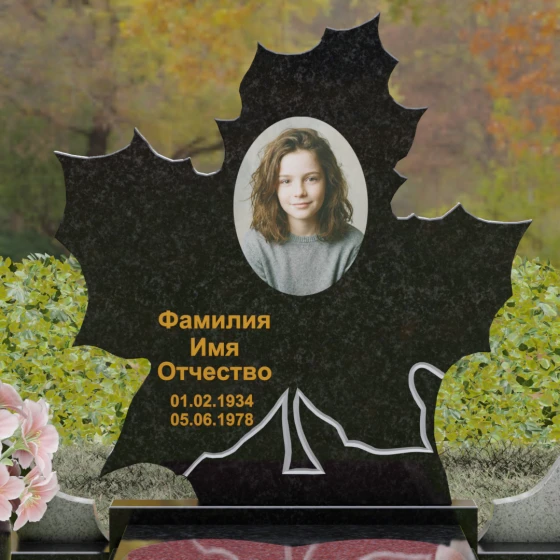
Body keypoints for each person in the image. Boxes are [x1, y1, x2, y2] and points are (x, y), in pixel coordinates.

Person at [242, 128, 363, 296]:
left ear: (328, 182)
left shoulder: (353, 245)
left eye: (311, 179)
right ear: (272, 187)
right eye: (286, 181)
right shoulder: (255, 245)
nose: (299, 192)